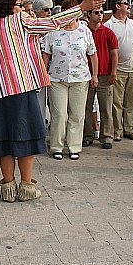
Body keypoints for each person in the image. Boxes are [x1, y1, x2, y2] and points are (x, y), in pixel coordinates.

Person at [0, 0, 103, 202]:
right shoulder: (18, 21)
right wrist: (80, 8)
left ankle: (8, 187)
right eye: (20, 5)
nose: (25, 9)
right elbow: (52, 23)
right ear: (11, 7)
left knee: (4, 140)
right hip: (21, 88)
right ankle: (27, 187)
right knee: (25, 137)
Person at [42, 8, 97, 160]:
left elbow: (92, 53)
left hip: (80, 78)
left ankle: (74, 146)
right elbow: (46, 54)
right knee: (59, 114)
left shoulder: (85, 31)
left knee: (77, 114)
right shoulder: (53, 32)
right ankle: (57, 146)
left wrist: (95, 75)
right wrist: (44, 74)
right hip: (57, 79)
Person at [104, 0, 133, 142]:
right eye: (126, 3)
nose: (129, 5)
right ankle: (117, 130)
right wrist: (112, 71)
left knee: (131, 102)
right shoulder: (109, 25)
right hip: (117, 69)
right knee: (116, 103)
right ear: (118, 6)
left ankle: (129, 128)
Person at [82, 7, 118, 149]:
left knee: (106, 107)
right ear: (89, 14)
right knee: (86, 107)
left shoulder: (109, 33)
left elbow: (114, 53)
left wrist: (113, 72)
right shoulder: (84, 32)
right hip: (86, 74)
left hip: (105, 75)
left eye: (101, 12)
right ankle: (87, 135)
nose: (99, 15)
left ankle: (107, 137)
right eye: (96, 12)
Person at [32, 0, 54, 127]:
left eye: (50, 9)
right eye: (46, 10)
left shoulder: (54, 27)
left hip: (54, 70)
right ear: (37, 11)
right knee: (38, 103)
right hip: (36, 71)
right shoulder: (31, 28)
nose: (49, 12)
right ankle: (38, 127)